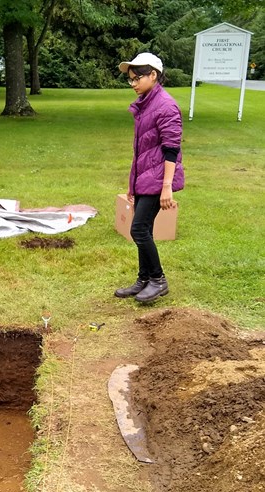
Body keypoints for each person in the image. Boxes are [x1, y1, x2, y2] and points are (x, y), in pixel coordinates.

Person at [115, 52, 184, 303]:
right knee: (143, 229)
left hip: (158, 180)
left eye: (137, 78)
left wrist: (166, 187)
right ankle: (143, 279)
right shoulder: (146, 103)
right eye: (130, 79)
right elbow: (143, 150)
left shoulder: (165, 106)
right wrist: (133, 183)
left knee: (139, 230)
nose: (133, 84)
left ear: (153, 75)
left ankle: (158, 279)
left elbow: (171, 149)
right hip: (146, 178)